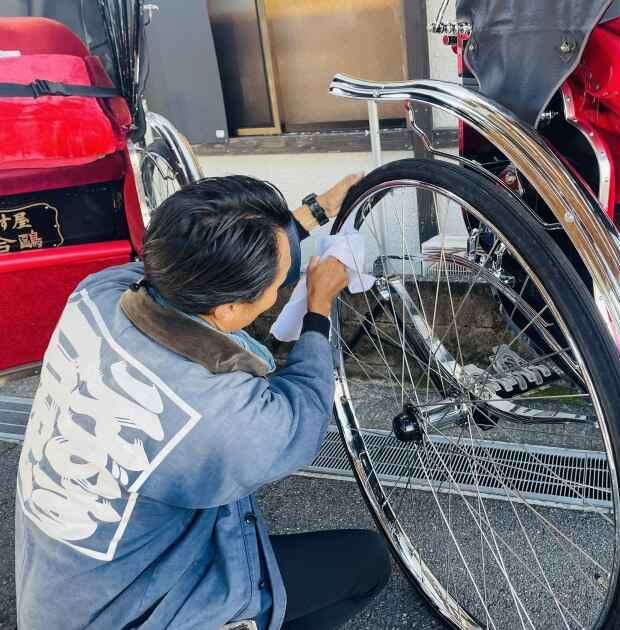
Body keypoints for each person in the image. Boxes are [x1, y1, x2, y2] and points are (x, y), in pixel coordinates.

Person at [15, 174, 392, 629]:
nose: (279, 290)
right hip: (140, 613)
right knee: (366, 563)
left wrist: (317, 210)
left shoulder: (98, 293)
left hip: (62, 598)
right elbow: (301, 416)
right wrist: (318, 307)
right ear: (229, 310)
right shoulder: (223, 416)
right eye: (275, 286)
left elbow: (205, 257)